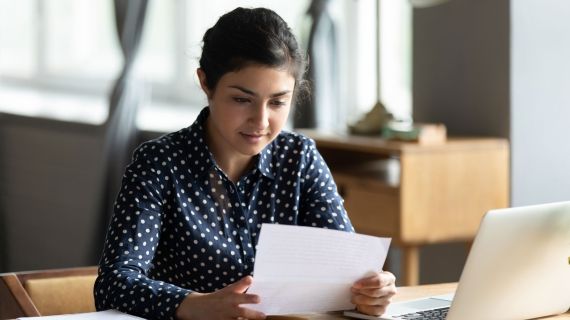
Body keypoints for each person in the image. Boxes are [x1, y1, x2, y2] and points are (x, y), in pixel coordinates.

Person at [94, 7, 396, 320]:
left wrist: (371, 290)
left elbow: (346, 272)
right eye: (241, 99)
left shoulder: (300, 158)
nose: (261, 121)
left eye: (278, 102)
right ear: (206, 84)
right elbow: (114, 285)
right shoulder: (159, 164)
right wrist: (197, 304)